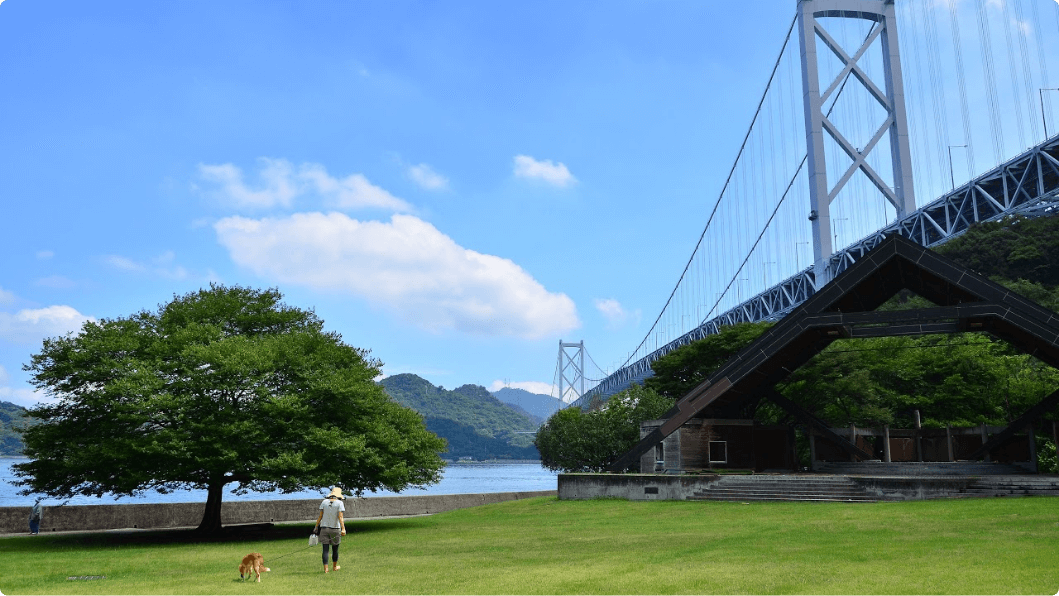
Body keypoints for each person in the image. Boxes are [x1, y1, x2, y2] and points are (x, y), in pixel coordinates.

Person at [313, 487, 346, 573]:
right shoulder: (340, 503)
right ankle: (334, 567)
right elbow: (340, 517)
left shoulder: (324, 502)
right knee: (335, 549)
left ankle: (326, 569)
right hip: (335, 529)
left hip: (324, 528)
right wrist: (343, 529)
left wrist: (316, 527)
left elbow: (320, 516)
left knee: (325, 549)